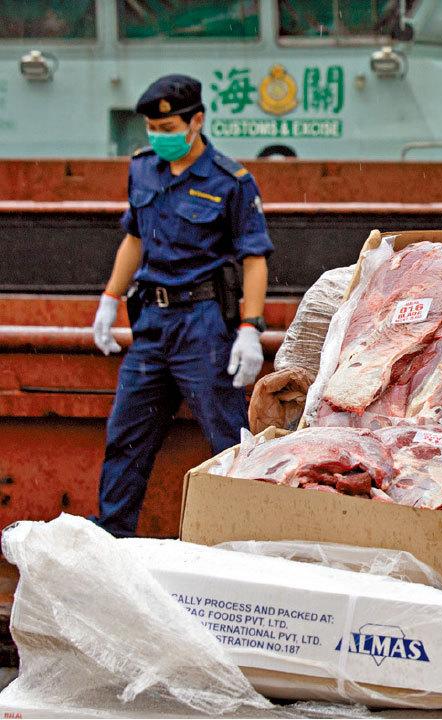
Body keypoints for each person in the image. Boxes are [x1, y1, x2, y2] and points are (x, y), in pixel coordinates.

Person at [90, 74, 273, 537]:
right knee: (127, 439)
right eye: (153, 128)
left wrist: (250, 328)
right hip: (151, 324)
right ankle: (112, 536)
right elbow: (133, 238)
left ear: (197, 121)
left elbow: (254, 258)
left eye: (169, 128)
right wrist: (110, 299)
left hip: (203, 325)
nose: (160, 137)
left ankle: (248, 540)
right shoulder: (142, 168)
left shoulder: (230, 181)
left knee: (228, 440)